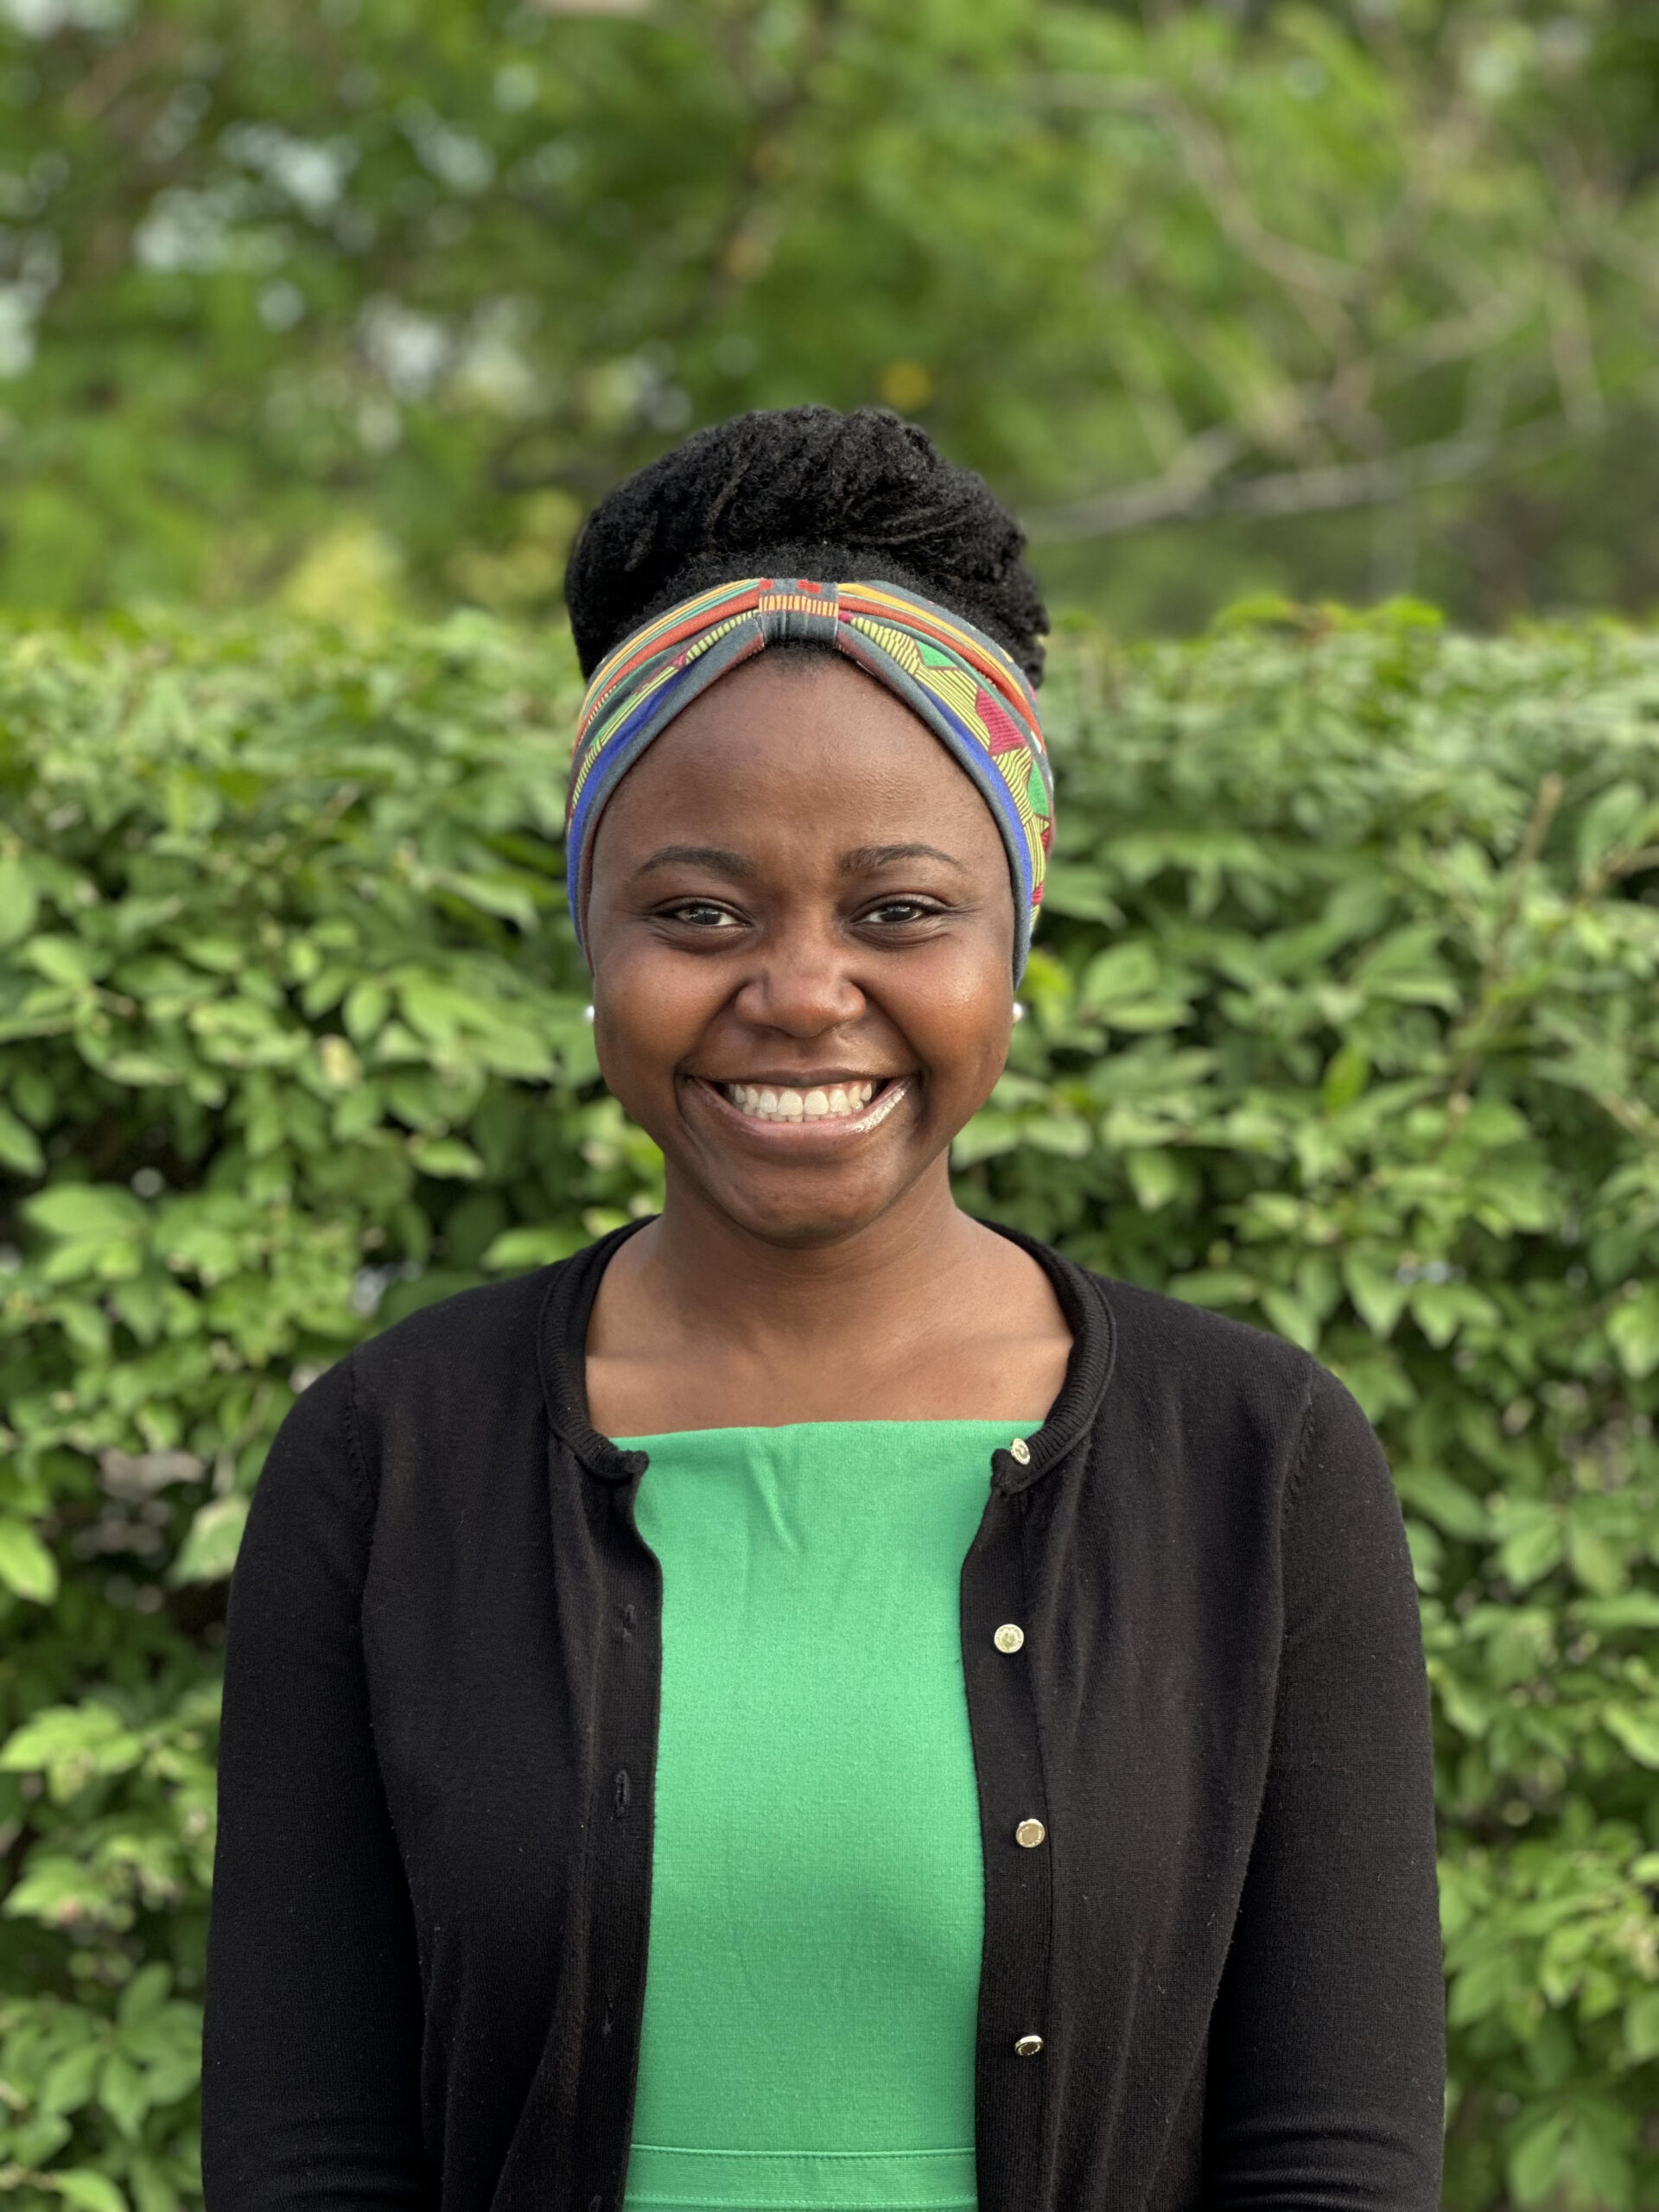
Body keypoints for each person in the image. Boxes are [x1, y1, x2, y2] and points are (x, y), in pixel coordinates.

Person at [201, 405, 1445, 2212]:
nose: (802, 991)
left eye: (901, 908)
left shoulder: (1260, 1463)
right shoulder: (386, 1462)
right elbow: (306, 2148)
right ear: (592, 937)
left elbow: (1332, 2157)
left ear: (1012, 946)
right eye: (702, 912)